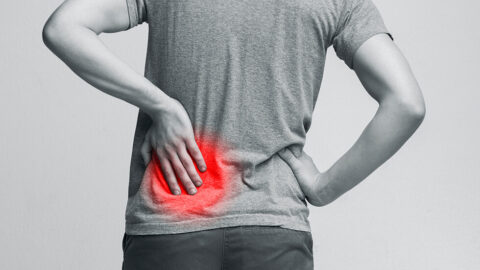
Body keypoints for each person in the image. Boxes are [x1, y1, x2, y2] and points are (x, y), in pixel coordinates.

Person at [42, 0, 425, 269]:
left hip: (172, 223)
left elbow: (64, 27)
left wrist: (163, 106)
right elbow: (406, 102)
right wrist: (324, 187)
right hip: (275, 234)